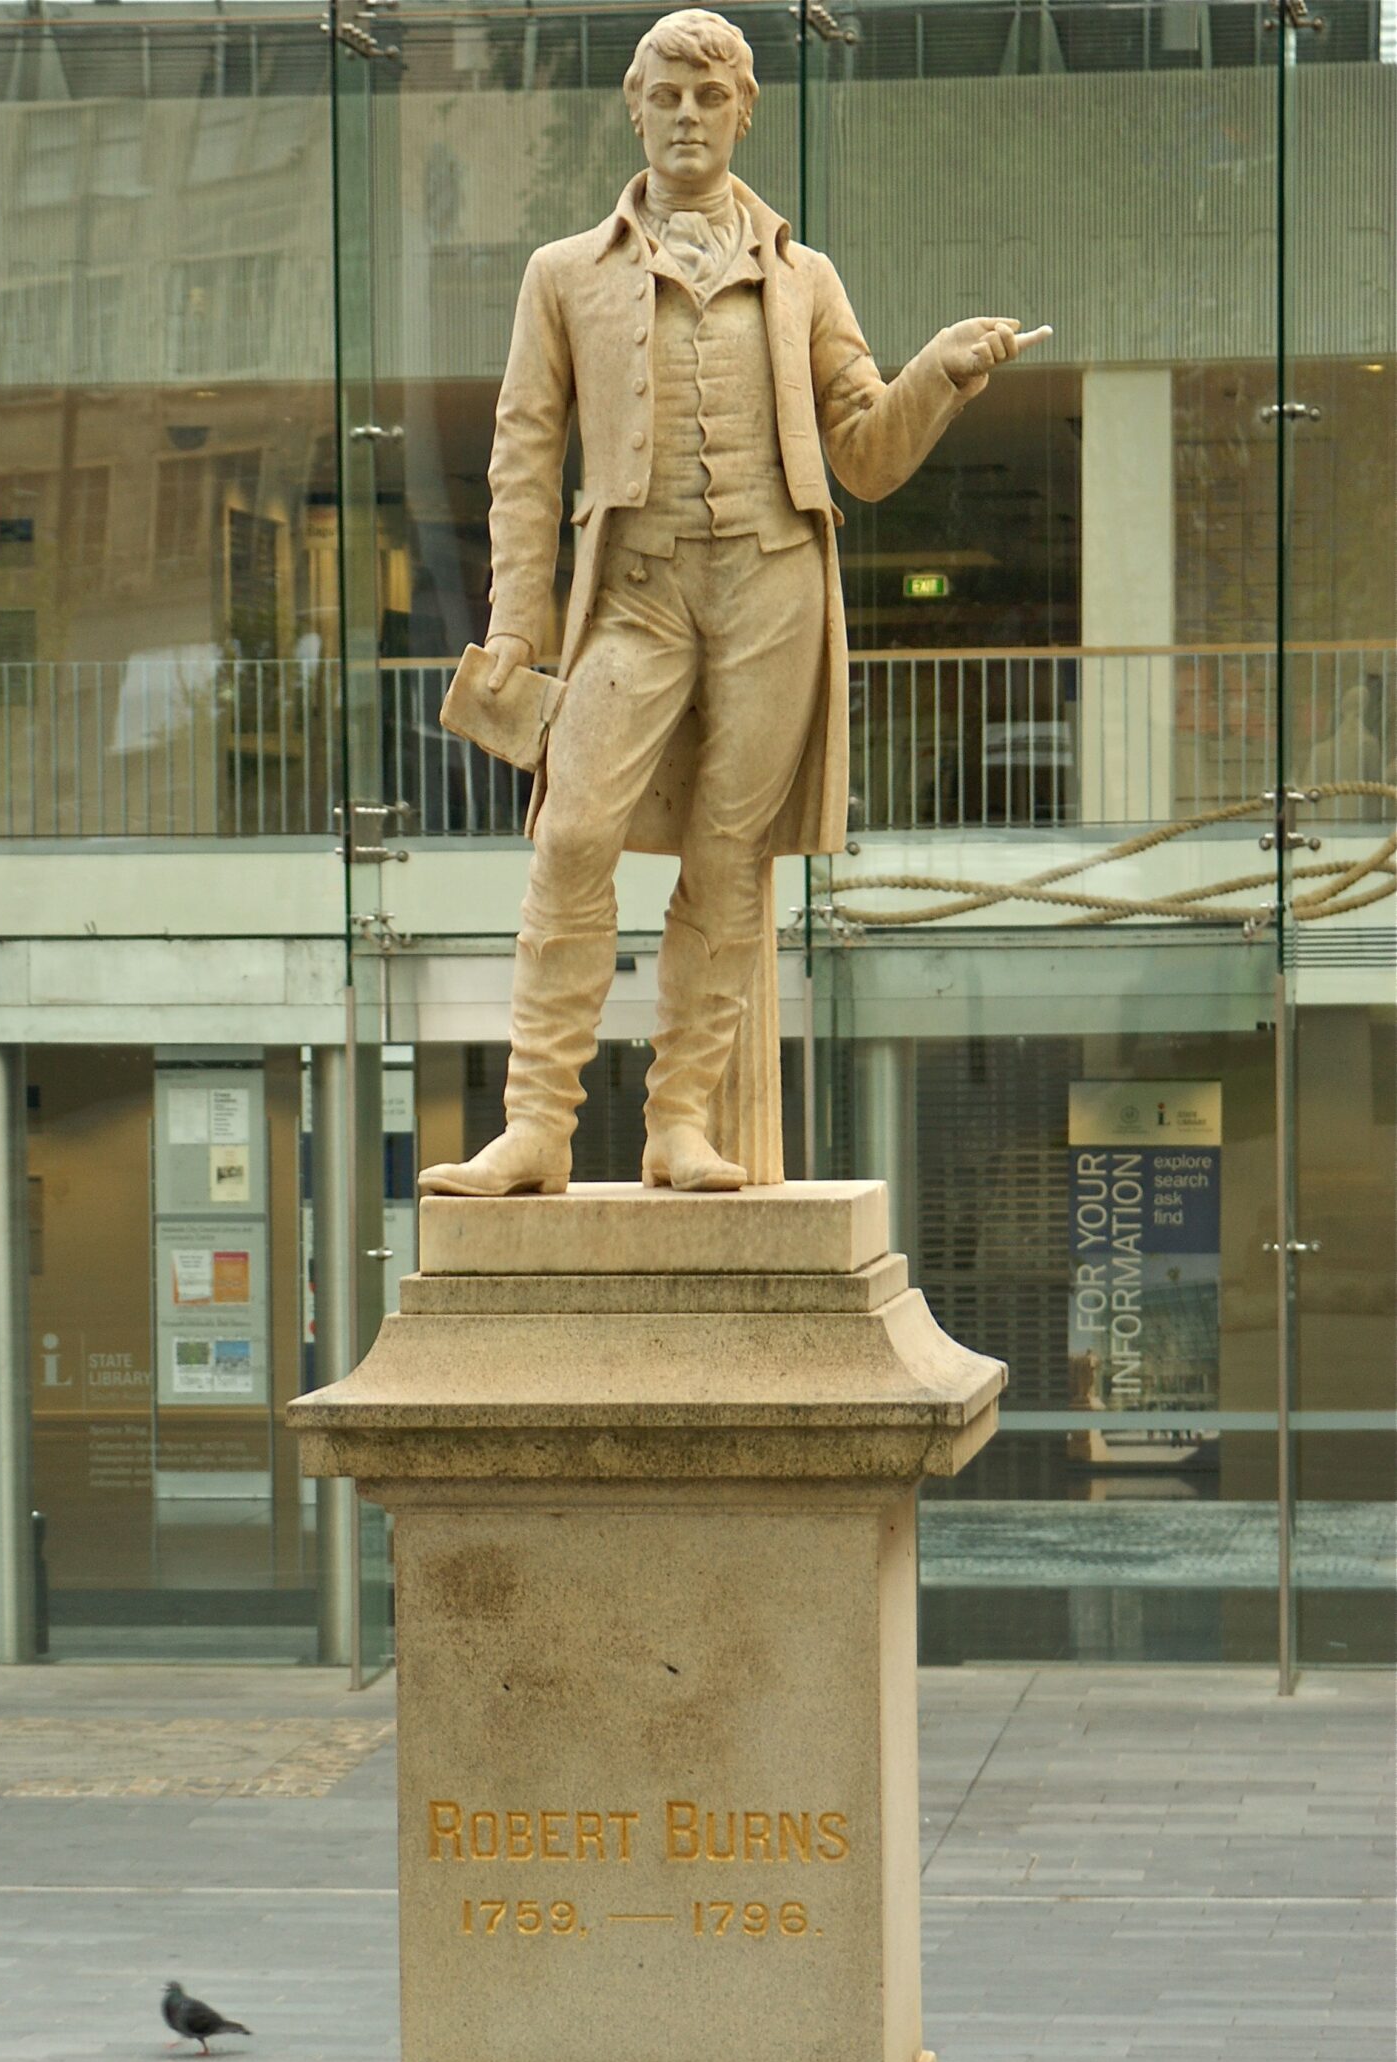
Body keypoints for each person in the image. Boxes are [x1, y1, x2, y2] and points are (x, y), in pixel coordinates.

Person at [420, 6, 1046, 1197]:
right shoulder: (563, 275)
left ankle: (677, 1125)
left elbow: (861, 451)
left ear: (743, 113)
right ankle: (537, 1127)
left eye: (711, 98)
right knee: (571, 837)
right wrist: (517, 623)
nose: (689, 117)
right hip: (637, 597)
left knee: (729, 859)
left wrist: (937, 377)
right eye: (668, 95)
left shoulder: (802, 277)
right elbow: (520, 455)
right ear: (636, 108)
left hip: (771, 593)